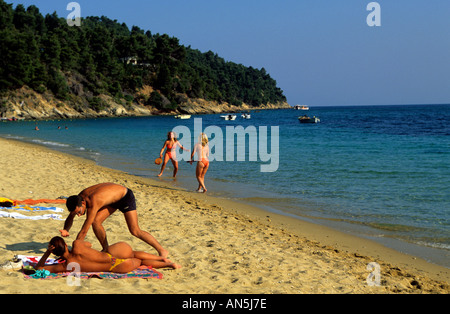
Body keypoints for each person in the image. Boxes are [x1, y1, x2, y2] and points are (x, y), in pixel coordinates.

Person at [60, 182, 168, 258]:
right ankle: (106, 249)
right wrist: (66, 229)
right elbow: (71, 216)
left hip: (125, 197)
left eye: (79, 211)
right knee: (96, 222)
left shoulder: (93, 202)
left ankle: (162, 250)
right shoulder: (78, 199)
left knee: (135, 230)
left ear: (83, 203)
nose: (78, 215)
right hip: (111, 199)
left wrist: (74, 252)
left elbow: (84, 231)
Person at [35, 236, 180, 274]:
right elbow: (90, 245)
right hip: (113, 253)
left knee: (140, 262)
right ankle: (161, 257)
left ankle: (168, 264)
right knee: (134, 253)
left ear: (54, 252)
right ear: (66, 245)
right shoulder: (77, 245)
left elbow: (39, 268)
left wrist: (47, 253)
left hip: (116, 267)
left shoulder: (66, 266)